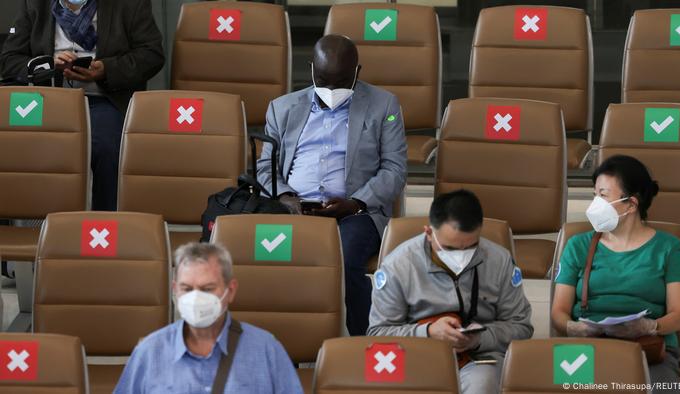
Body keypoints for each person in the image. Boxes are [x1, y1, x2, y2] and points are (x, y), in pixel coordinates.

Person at [257, 35, 407, 336]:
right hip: (294, 209)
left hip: (356, 211)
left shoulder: (384, 105)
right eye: (324, 80)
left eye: (341, 82)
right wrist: (285, 196)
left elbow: (395, 169)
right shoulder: (282, 108)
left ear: (357, 72)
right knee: (272, 264)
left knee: (346, 262)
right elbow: (265, 168)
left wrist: (357, 202)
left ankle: (366, 344)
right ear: (311, 69)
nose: (331, 90)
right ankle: (287, 344)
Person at [0, 0, 165, 211]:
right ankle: (42, 223)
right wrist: (49, 63)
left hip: (102, 98)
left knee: (107, 147)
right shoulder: (34, 3)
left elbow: (152, 55)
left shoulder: (130, 4)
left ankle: (104, 228)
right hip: (46, 100)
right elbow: (9, 60)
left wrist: (106, 69)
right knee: (20, 144)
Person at [367, 189, 533, 394]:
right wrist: (427, 332)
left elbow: (521, 327)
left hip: (478, 358)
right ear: (428, 233)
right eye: (450, 249)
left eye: (471, 247)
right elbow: (378, 332)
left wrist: (479, 339)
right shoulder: (398, 265)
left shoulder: (499, 261)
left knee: (483, 386)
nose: (461, 256)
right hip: (412, 353)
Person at [552, 155, 680, 393]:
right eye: (594, 194)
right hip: (586, 346)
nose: (595, 203)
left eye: (604, 195)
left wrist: (649, 326)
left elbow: (678, 316)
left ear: (631, 204)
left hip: (647, 348)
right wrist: (574, 327)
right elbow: (558, 311)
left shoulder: (668, 248)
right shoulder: (578, 246)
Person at [115, 242, 303, 394]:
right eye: (187, 289)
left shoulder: (266, 350)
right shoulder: (150, 352)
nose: (196, 298)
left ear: (230, 291)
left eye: (207, 289)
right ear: (175, 290)